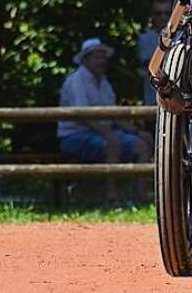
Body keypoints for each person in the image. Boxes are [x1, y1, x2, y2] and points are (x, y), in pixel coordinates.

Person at [59, 37, 153, 203]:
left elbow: (113, 116)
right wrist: (107, 133)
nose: (101, 61)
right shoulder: (76, 81)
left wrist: (138, 132)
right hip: (75, 135)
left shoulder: (104, 83)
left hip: (102, 133)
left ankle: (140, 195)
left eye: (103, 56)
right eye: (96, 56)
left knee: (142, 144)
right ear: (85, 59)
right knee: (113, 143)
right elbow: (80, 115)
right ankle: (112, 196)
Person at [137, 0, 172, 106]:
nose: (163, 17)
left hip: (177, 102)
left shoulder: (182, 37)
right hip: (153, 100)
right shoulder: (145, 39)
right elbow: (151, 66)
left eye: (167, 13)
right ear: (152, 16)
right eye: (158, 13)